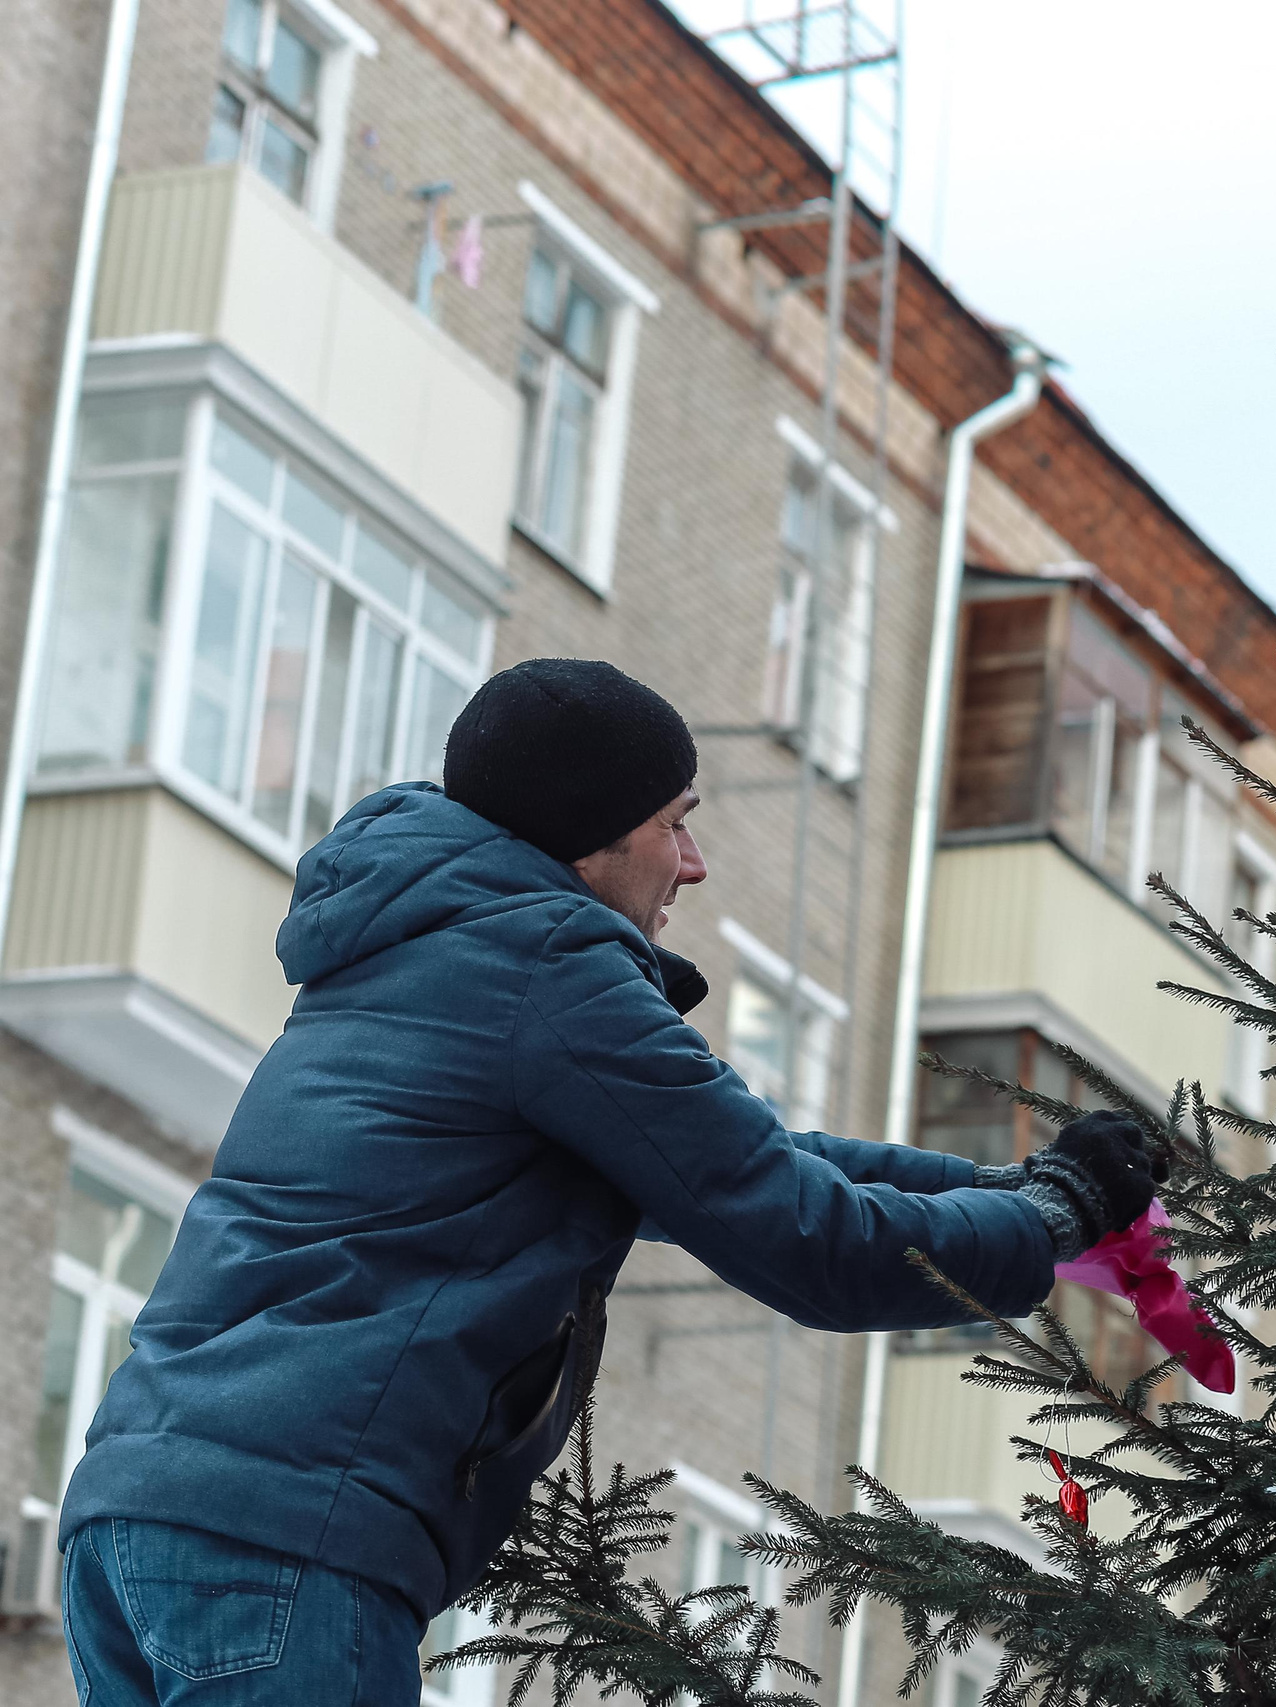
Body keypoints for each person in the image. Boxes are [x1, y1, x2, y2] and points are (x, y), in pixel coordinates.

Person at [54, 658, 1162, 1705]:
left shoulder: (420, 947)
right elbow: (797, 1235)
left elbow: (748, 1159)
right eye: (673, 824)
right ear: (591, 839)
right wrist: (1050, 1221)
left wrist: (1010, 1188)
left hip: (135, 1519)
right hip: (286, 1541)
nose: (693, 862)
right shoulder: (548, 971)